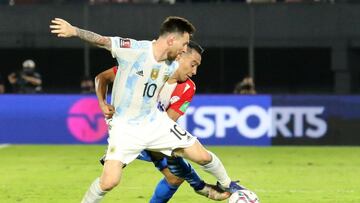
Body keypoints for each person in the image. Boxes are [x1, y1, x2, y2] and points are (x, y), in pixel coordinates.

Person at [50, 16, 243, 203]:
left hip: (154, 122)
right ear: (171, 40)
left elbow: (184, 74)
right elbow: (102, 41)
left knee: (201, 155)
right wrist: (74, 31)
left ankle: (228, 185)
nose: (185, 49)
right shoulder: (134, 51)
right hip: (125, 127)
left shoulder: (174, 65)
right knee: (109, 182)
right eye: (184, 44)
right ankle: (201, 187)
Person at [97, 41, 229, 202]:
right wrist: (103, 103)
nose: (195, 71)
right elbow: (102, 77)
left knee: (174, 177)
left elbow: (167, 122)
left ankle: (200, 186)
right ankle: (200, 187)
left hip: (152, 130)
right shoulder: (144, 67)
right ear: (179, 56)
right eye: (193, 64)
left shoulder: (188, 87)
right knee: (112, 180)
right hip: (125, 127)